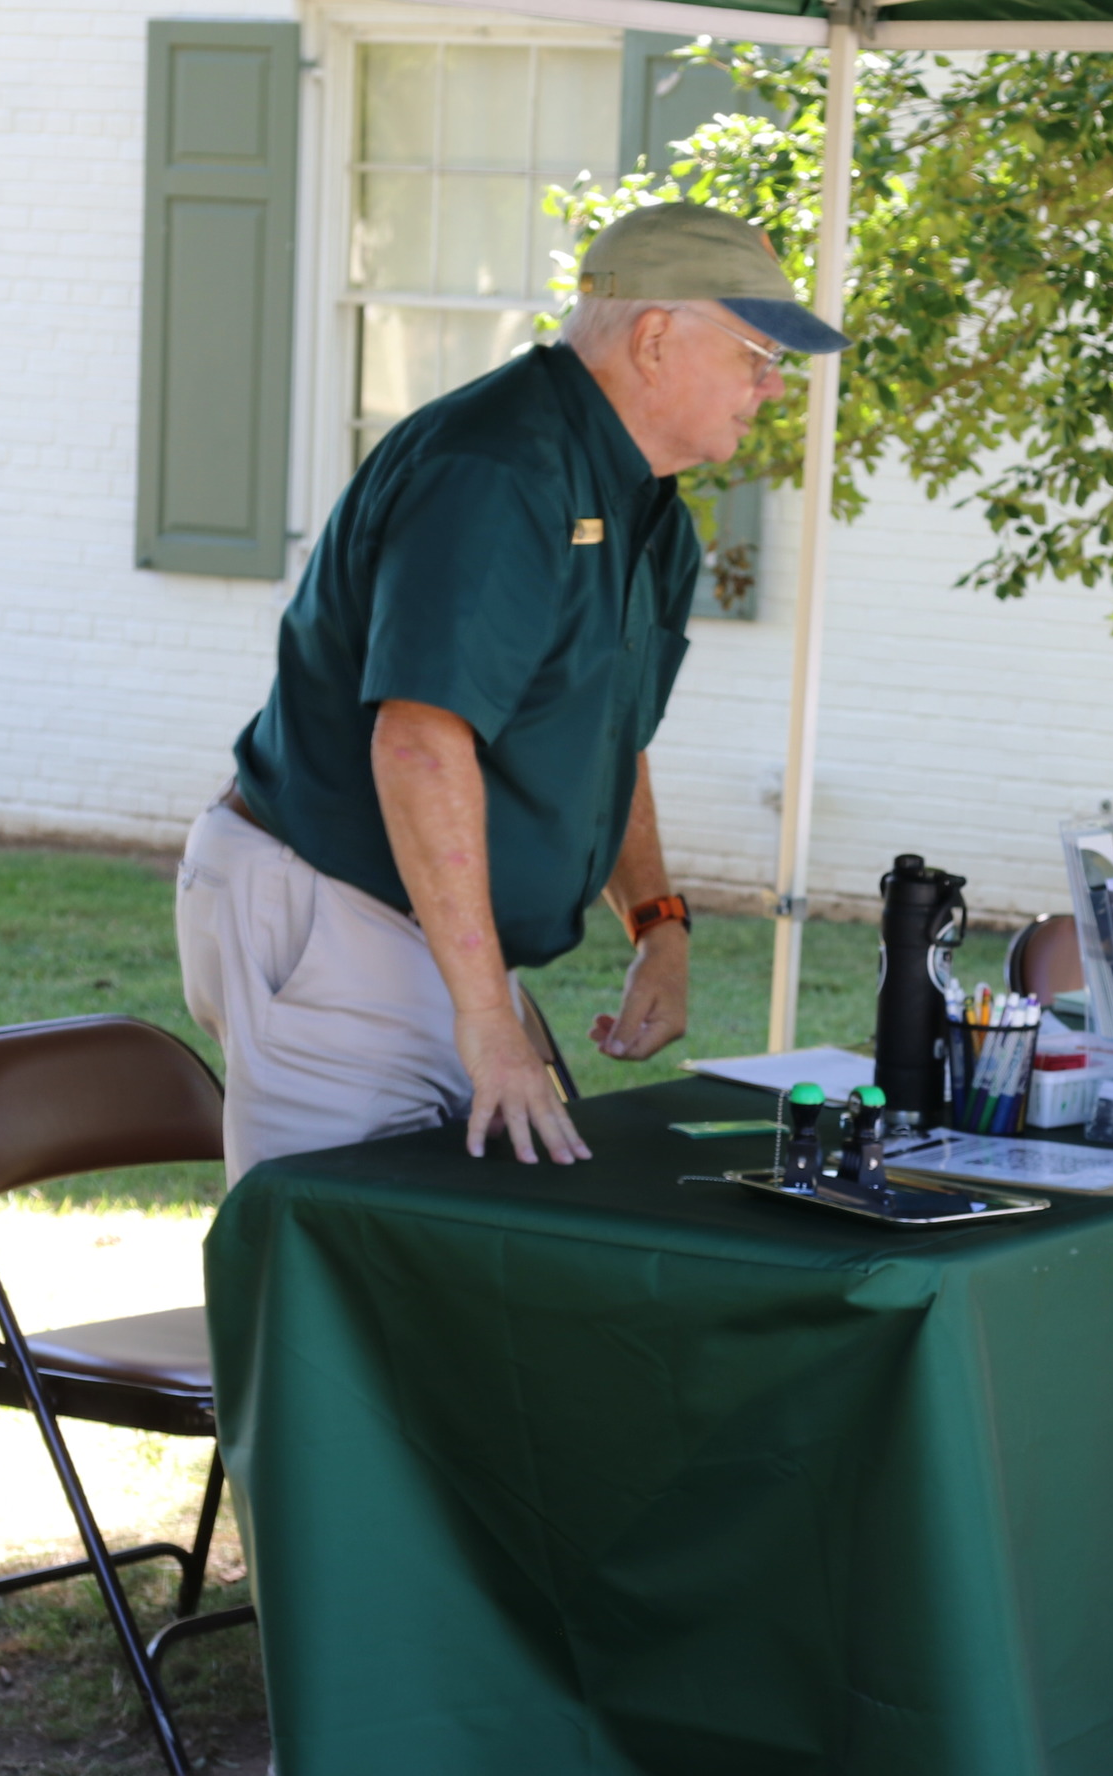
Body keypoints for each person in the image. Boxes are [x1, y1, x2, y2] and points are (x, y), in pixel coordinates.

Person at [176, 203, 848, 1183]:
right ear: (656, 336)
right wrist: (488, 1017)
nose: (775, 383)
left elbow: (606, 738)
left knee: (463, 1262)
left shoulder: (649, 509)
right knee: (347, 1258)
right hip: (335, 901)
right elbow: (418, 739)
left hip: (423, 929)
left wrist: (657, 920)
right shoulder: (497, 467)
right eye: (756, 351)